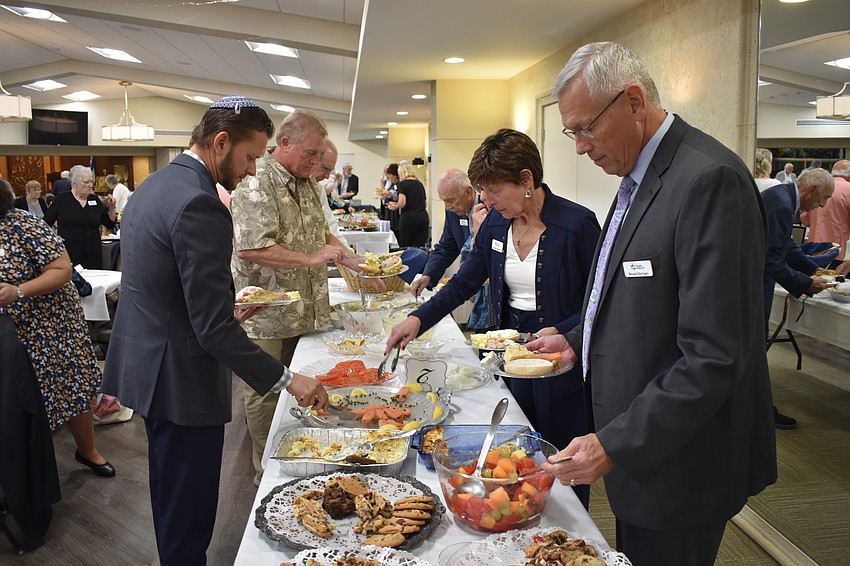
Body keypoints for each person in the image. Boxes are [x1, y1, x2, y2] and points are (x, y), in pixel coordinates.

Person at [526, 42, 776, 565]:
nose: (579, 147)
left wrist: (616, 442)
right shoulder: (639, 175)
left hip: (680, 465)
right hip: (643, 459)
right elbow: (634, 296)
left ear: (633, 102)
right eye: (573, 133)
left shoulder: (709, 180)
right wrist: (575, 342)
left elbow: (714, 355)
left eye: (585, 128)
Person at [101, 96, 329, 566]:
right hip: (181, 376)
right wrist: (292, 380)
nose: (249, 171)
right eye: (248, 157)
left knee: (170, 492)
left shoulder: (155, 184)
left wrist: (221, 307)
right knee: (190, 508)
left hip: (148, 363)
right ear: (220, 142)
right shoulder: (200, 203)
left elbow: (162, 283)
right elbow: (211, 331)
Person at [386, 129, 600, 506]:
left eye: (493, 190)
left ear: (526, 180)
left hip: (560, 361)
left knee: (562, 462)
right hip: (511, 359)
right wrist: (418, 319)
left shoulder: (577, 225)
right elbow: (464, 281)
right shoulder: (497, 224)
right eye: (481, 189)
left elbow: (600, 301)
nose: (485, 200)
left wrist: (567, 332)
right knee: (515, 452)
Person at [230, 109, 354, 486]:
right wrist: (311, 258)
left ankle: (304, 455)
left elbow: (322, 233)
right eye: (311, 155)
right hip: (267, 311)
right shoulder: (257, 181)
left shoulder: (307, 182)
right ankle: (266, 470)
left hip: (305, 307)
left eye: (320, 157)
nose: (317, 164)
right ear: (284, 144)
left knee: (304, 386)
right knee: (265, 389)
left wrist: (352, 260)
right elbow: (251, 247)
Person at [0, 180, 115, 478]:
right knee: (22, 397)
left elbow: (62, 269)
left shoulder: (23, 224)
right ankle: (30, 469)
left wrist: (19, 291)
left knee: (73, 386)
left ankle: (87, 451)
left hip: (54, 325)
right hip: (12, 332)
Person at [762, 168, 834, 430]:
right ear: (811, 190)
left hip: (758, 286)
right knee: (755, 353)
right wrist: (805, 283)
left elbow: (787, 248)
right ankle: (759, 412)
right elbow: (769, 258)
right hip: (754, 289)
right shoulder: (781, 203)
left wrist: (813, 269)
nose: (823, 205)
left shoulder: (783, 198)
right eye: (823, 198)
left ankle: (755, 410)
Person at [410, 168, 493, 330]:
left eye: (450, 200)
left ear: (469, 192)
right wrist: (428, 274)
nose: (447, 207)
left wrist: (480, 283)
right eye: (444, 201)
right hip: (471, 287)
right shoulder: (454, 212)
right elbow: (446, 247)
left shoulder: (492, 208)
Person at [43, 165, 116, 269]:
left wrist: (112, 208)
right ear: (74, 184)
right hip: (70, 249)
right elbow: (45, 223)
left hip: (92, 249)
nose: (90, 185)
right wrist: (53, 237)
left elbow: (109, 223)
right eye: (86, 182)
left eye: (91, 182)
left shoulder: (94, 200)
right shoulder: (62, 199)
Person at [801, 159, 850, 266]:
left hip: (814, 249)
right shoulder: (848, 190)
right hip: (841, 253)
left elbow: (805, 220)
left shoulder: (818, 188)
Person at [313, 139, 352, 248]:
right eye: (325, 169)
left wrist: (353, 258)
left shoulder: (318, 189)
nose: (326, 176)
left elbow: (331, 230)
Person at [389, 162, 429, 247]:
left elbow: (402, 203)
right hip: (422, 218)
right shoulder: (419, 184)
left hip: (409, 219)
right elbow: (424, 202)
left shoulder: (403, 184)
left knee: (406, 247)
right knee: (419, 248)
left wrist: (395, 206)